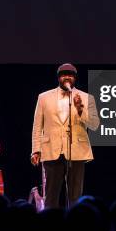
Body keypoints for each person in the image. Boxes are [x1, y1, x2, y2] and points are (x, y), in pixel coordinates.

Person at [30, 63, 99, 209]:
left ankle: (74, 227)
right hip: (51, 150)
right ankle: (51, 227)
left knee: (75, 196)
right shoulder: (44, 97)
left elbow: (94, 124)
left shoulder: (87, 98)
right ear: (58, 77)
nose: (67, 77)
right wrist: (36, 150)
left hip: (77, 151)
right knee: (51, 196)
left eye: (70, 75)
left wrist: (80, 110)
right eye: (63, 75)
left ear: (74, 78)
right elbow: (37, 126)